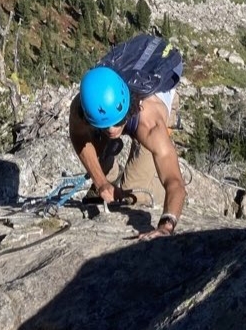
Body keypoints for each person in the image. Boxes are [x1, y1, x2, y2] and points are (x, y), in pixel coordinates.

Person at [69, 62, 185, 240]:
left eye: (117, 122)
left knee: (134, 194)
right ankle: (111, 172)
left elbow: (174, 181)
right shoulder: (86, 103)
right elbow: (79, 137)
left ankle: (159, 191)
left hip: (155, 95)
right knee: (97, 154)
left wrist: (166, 225)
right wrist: (101, 182)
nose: (111, 130)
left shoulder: (150, 124)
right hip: (113, 105)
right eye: (105, 126)